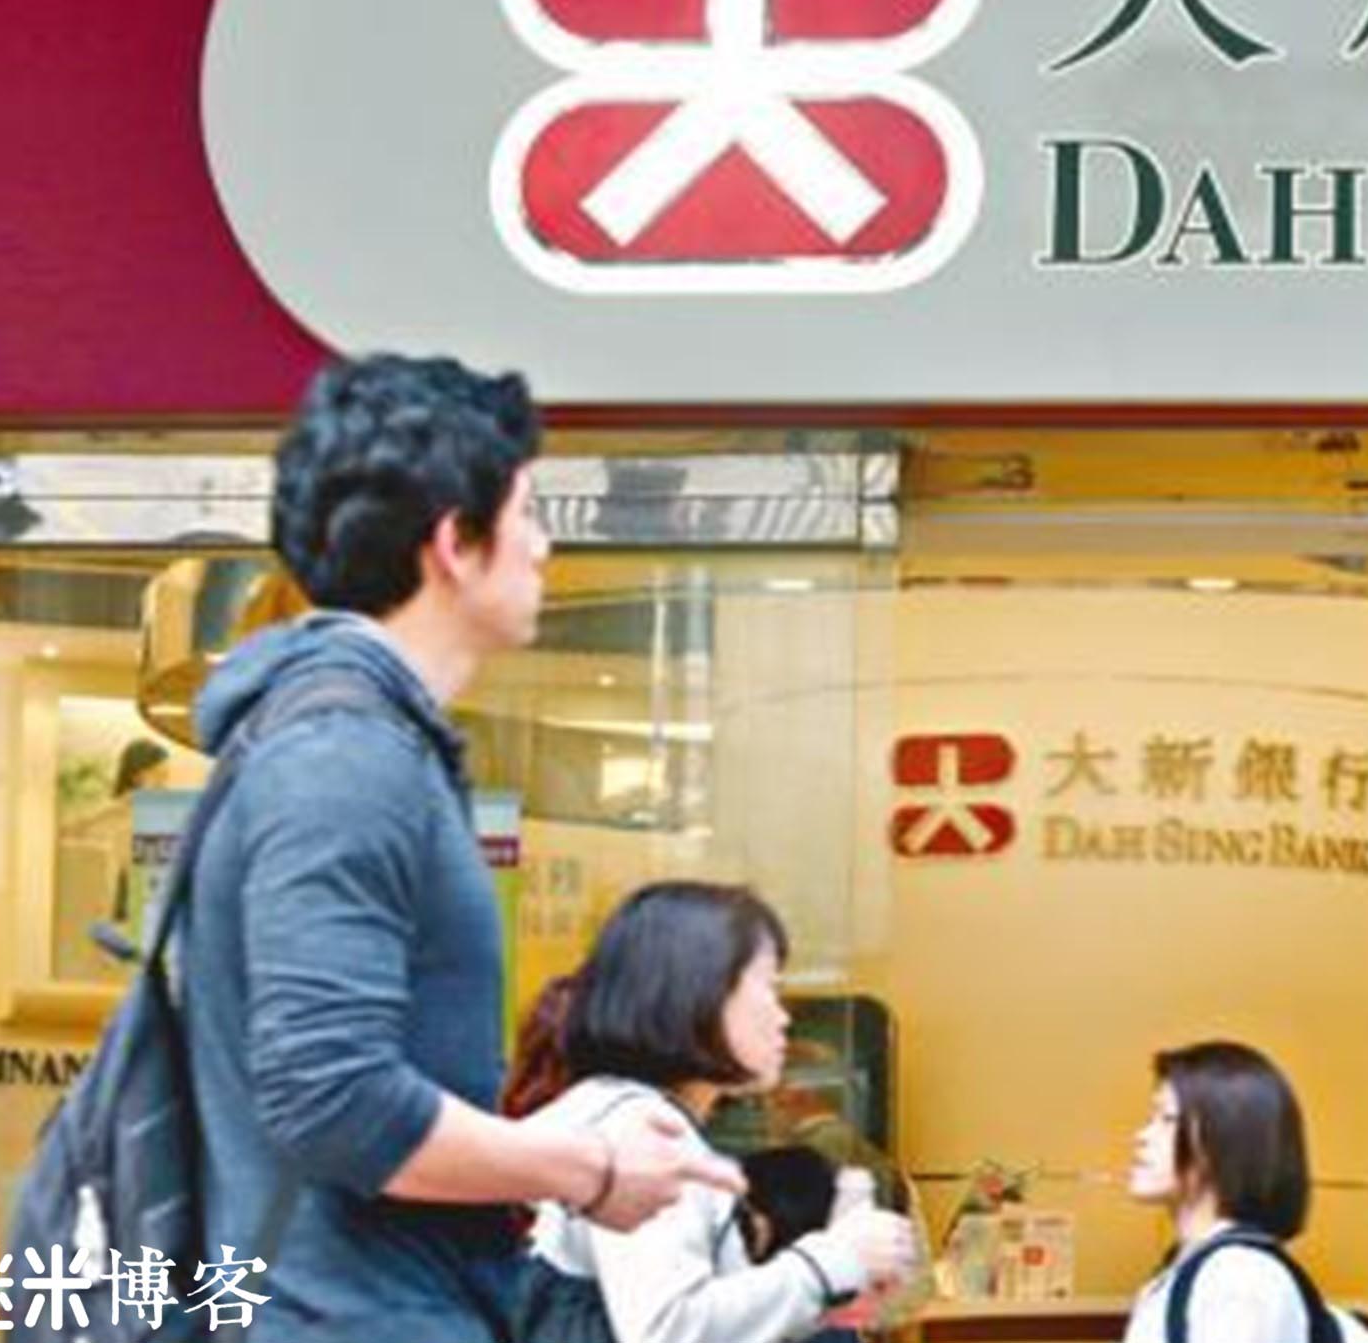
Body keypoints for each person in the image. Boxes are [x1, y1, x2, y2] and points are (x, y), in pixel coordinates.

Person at [182, 355, 739, 1340]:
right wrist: (589, 1167)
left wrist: (547, 1139)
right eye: (528, 513)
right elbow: (334, 1098)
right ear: (454, 542)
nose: (546, 547)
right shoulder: (344, 759)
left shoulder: (347, 742)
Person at [513, 882, 921, 1343]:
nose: (783, 1017)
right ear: (697, 994)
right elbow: (668, 1329)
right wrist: (830, 1263)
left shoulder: (615, 1108)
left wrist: (828, 1288)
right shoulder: (646, 1135)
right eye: (769, 988)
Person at [1123, 1041, 1368, 1343]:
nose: (1141, 1136)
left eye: (1167, 1119)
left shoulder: (1238, 1279)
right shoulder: (1192, 1273)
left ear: (1224, 1138)